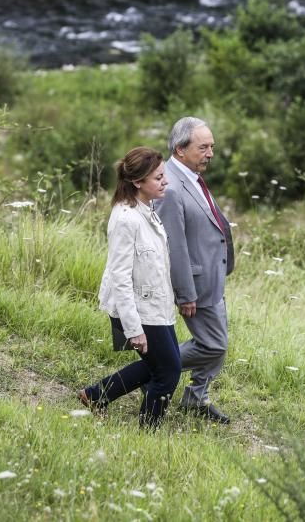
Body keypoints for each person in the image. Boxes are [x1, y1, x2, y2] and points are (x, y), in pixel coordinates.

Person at [78, 146, 181, 428]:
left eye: (164, 175)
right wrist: (133, 328)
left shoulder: (146, 209)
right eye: (158, 178)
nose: (165, 182)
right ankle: (148, 434)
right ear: (137, 182)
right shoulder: (126, 219)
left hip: (156, 305)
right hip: (138, 310)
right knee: (168, 373)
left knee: (157, 366)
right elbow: (119, 277)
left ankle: (95, 395)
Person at [154, 117, 234, 424]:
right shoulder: (171, 186)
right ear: (180, 149)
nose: (210, 153)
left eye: (212, 146)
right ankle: (153, 368)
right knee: (214, 345)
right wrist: (185, 292)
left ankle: (197, 397)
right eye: (203, 147)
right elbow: (174, 245)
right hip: (196, 282)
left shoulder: (192, 175)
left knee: (218, 343)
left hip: (213, 274)